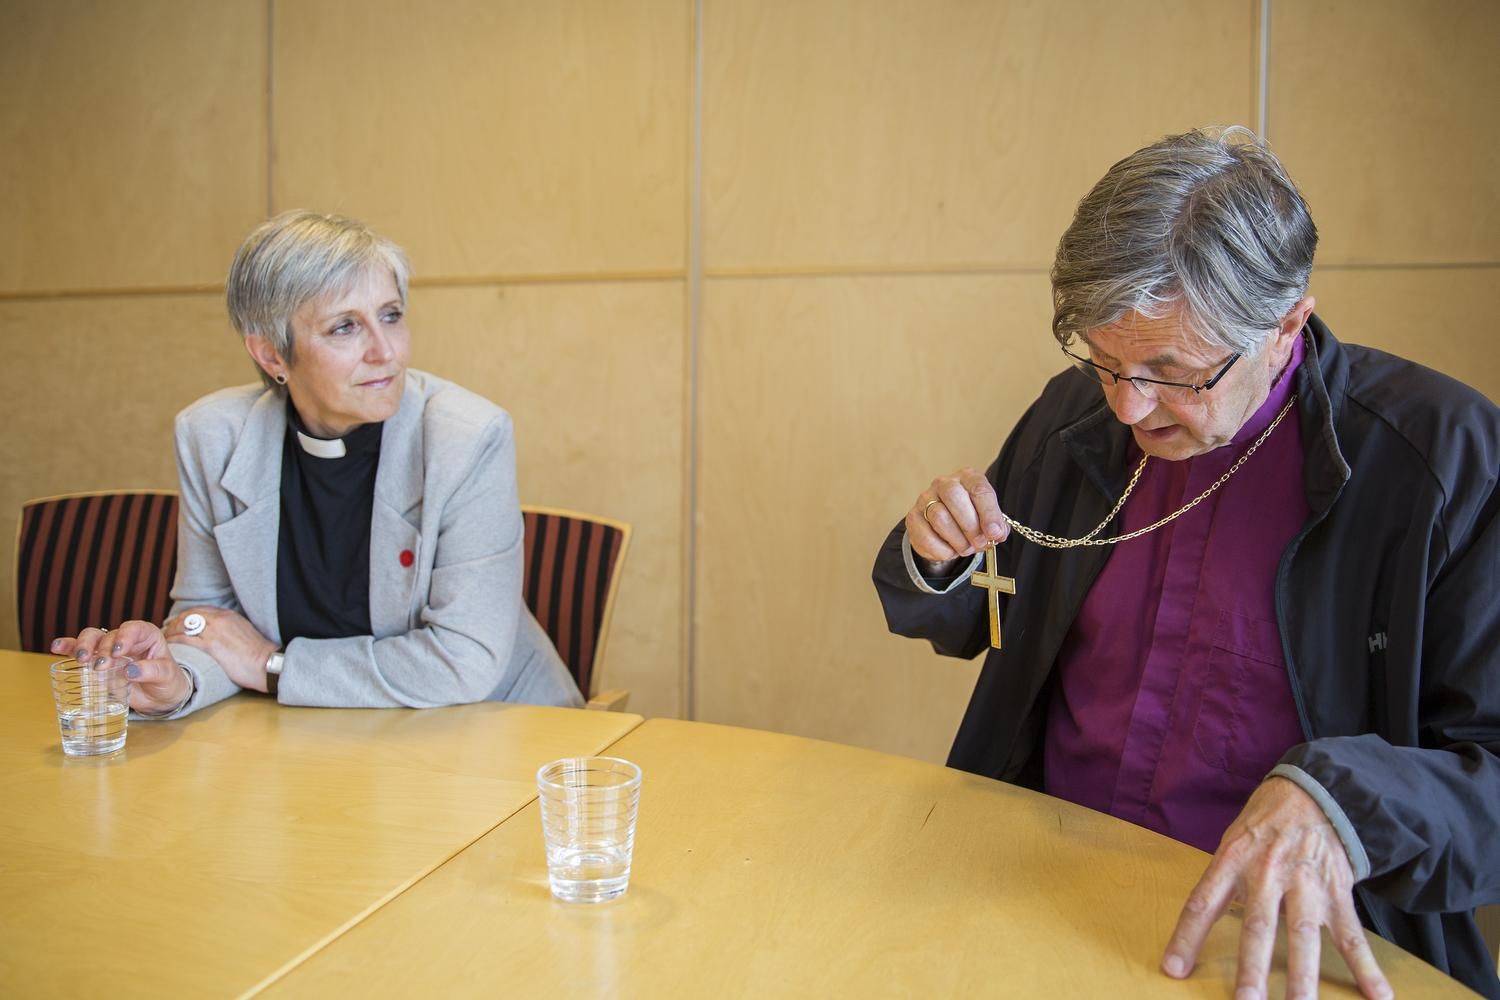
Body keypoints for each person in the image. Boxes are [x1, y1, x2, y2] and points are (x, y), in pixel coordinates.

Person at [873, 128, 1499, 998]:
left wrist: (1349, 798)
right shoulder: (1075, 418)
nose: (1130, 408)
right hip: (1040, 897)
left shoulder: (1442, 460)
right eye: (1106, 362)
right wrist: (935, 551)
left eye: (1172, 372)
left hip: (1286, 946)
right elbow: (975, 615)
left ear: (1285, 325)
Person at [54, 210, 583, 715]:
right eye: (344, 327)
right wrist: (176, 682)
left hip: (499, 726)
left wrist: (272, 666)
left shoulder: (465, 438)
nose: (386, 352)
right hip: (320, 737)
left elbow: (462, 660)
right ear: (271, 354)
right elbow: (207, 622)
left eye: (391, 315)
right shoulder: (212, 435)